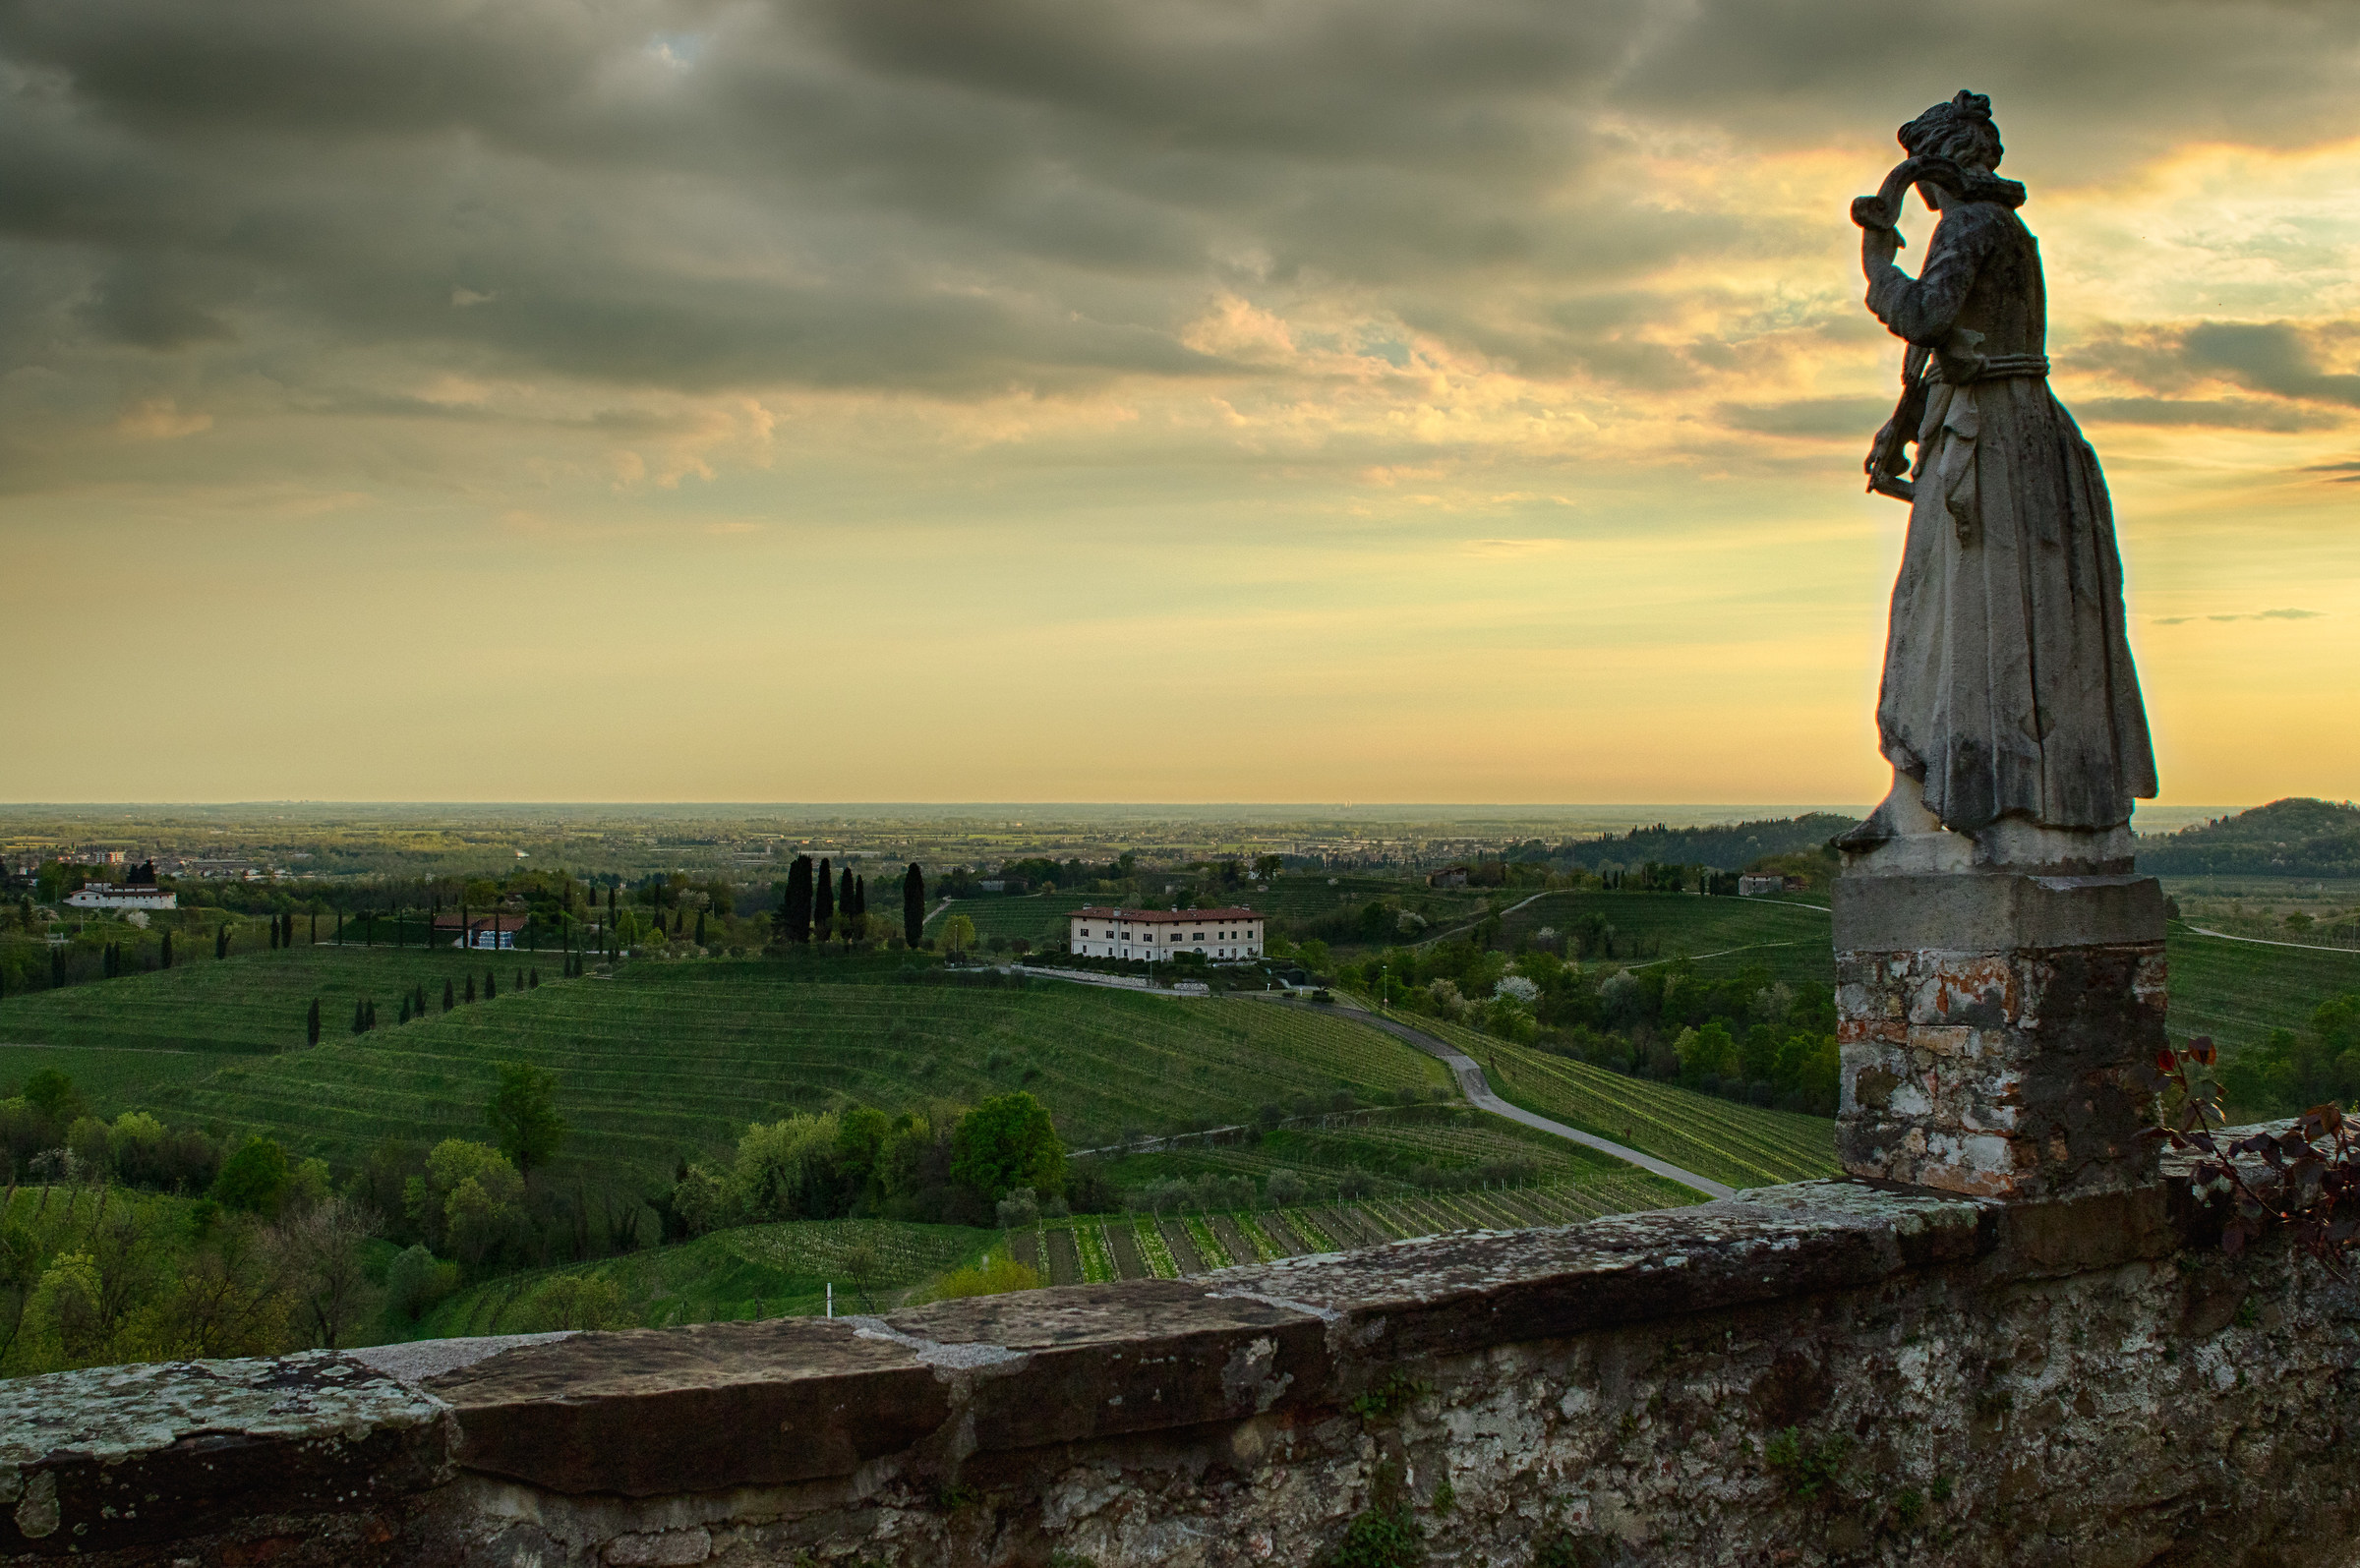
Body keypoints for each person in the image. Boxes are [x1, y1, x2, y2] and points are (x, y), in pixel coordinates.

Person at [1839, 91, 2155, 871]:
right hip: (2010, 430)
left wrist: (1876, 261)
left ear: (1936, 168)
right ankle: (1956, 798)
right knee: (1987, 615)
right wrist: (1906, 420)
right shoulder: (2008, 230)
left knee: (1965, 617)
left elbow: (1927, 316)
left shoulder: (1971, 225)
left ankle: (1973, 801)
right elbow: (1958, 346)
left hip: (1991, 445)